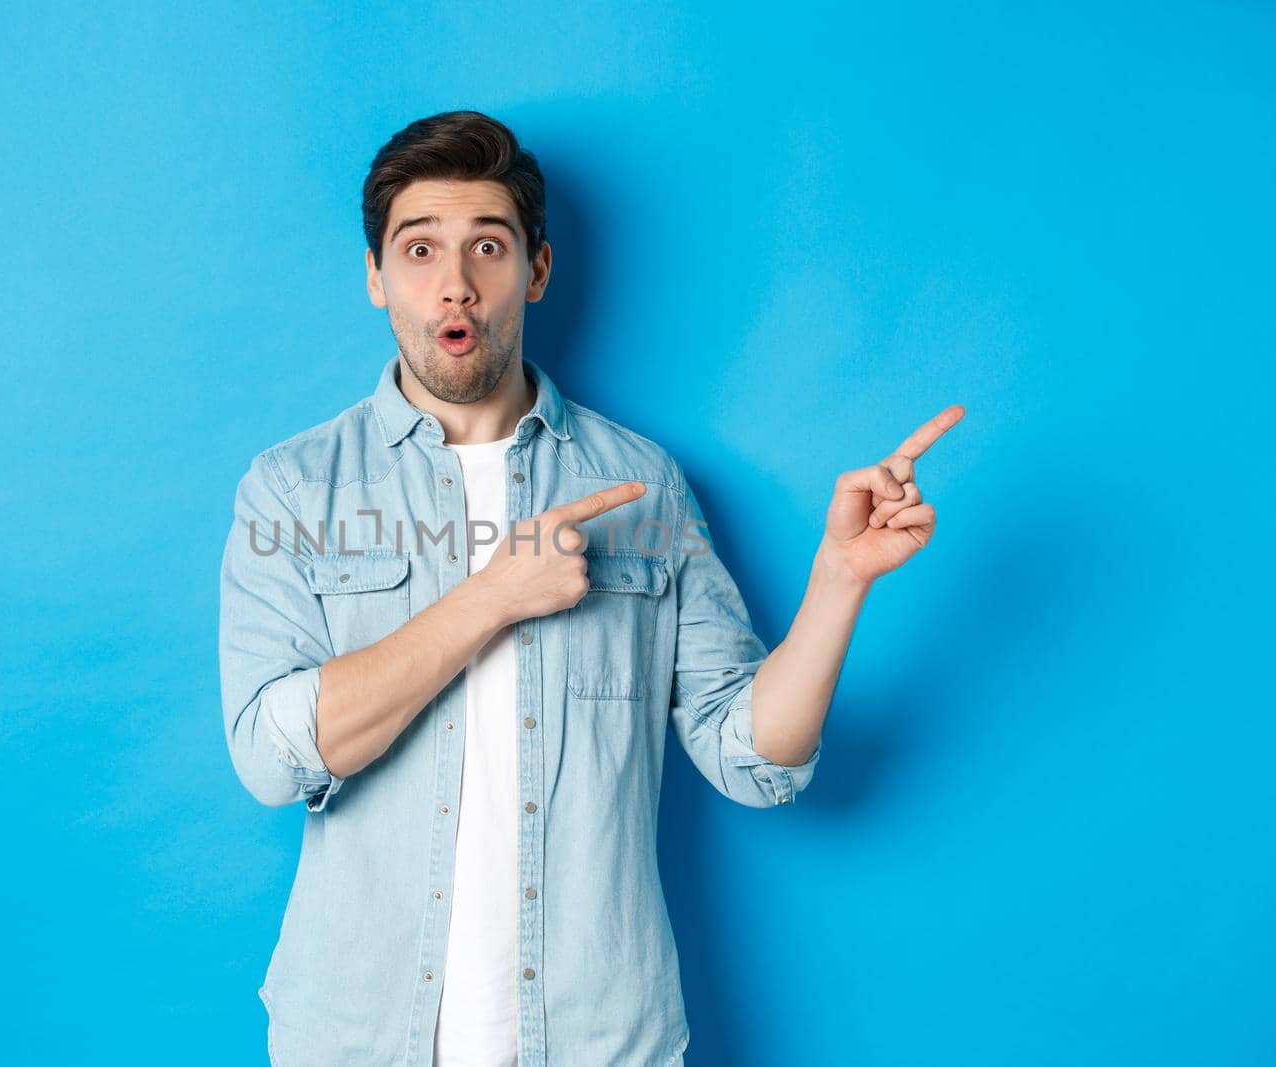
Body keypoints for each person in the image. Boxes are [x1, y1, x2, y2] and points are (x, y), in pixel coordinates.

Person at [219, 109, 963, 1067]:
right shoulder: (292, 488)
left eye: (488, 245)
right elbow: (273, 757)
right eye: (419, 248)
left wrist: (838, 581)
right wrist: (492, 595)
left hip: (598, 1040)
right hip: (355, 1036)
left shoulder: (644, 484)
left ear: (534, 270)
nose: (455, 282)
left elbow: (754, 758)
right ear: (376, 277)